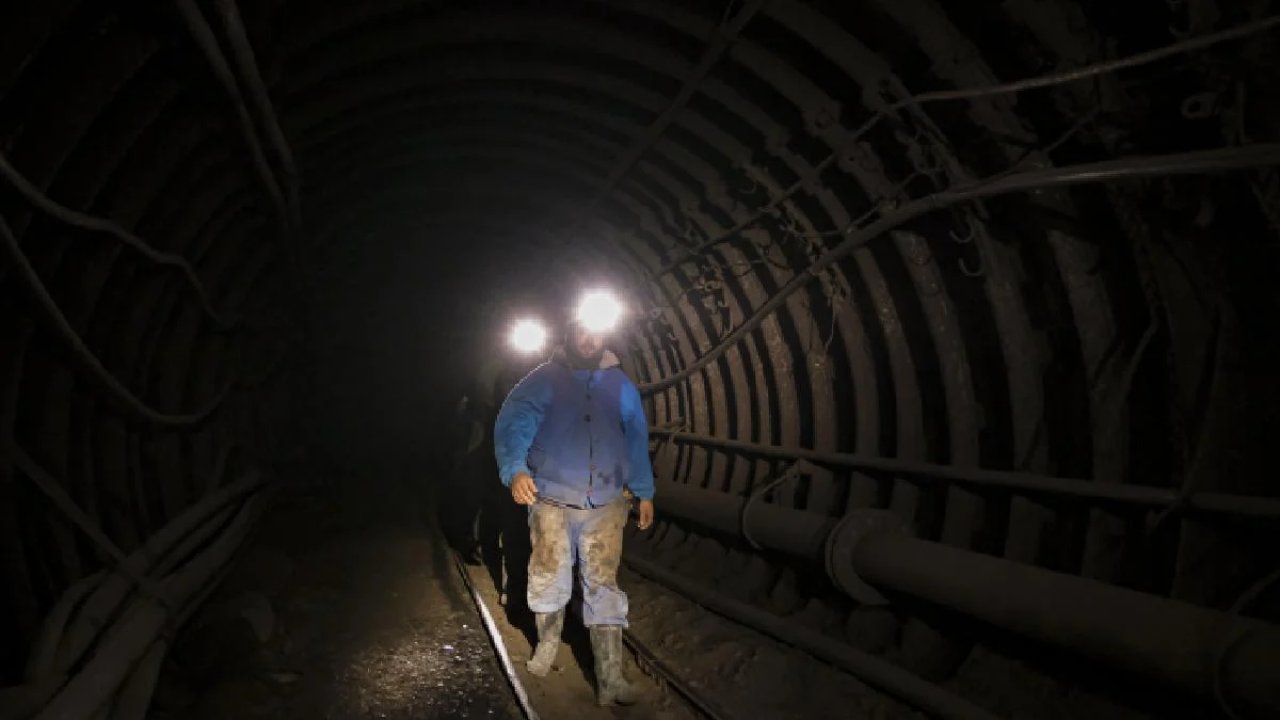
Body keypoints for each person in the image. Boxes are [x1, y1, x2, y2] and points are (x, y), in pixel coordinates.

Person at [493, 318, 655, 706]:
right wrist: (515, 469)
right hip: (550, 499)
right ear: (568, 334)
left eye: (596, 331)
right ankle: (547, 644)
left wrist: (645, 491)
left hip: (606, 503)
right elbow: (514, 424)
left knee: (604, 585)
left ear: (605, 336)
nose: (589, 338)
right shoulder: (544, 379)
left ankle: (611, 678)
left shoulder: (621, 386)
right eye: (582, 331)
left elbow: (636, 438)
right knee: (548, 575)